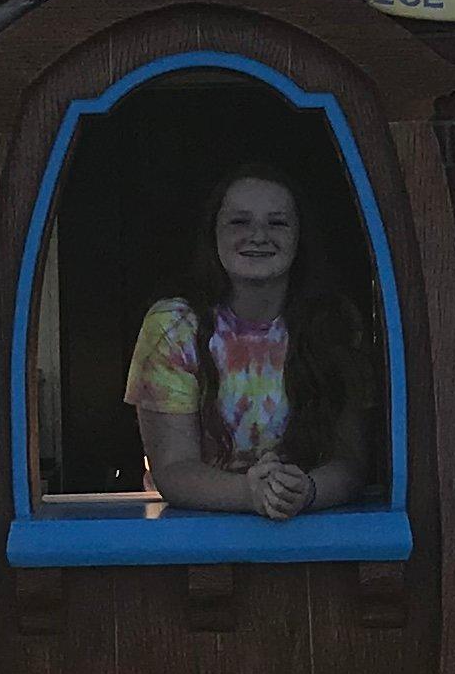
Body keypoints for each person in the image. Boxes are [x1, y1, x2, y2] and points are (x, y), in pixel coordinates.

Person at [126, 167, 374, 520]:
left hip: (311, 538)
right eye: (240, 222)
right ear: (214, 234)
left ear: (299, 236)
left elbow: (350, 459)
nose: (258, 236)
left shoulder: (336, 322)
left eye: (278, 223)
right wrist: (251, 492)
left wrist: (306, 491)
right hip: (200, 542)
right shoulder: (173, 326)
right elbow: (173, 469)